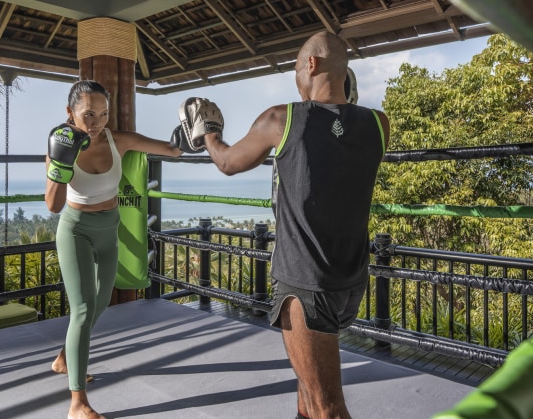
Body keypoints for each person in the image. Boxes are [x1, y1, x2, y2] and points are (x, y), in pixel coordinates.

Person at [196, 31, 390, 419]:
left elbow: (228, 162)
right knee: (307, 397)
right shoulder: (379, 124)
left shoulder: (280, 119)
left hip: (304, 285)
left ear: (311, 65)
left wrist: (209, 134)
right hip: (351, 280)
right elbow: (338, 135)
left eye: (297, 72)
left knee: (326, 408)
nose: (297, 83)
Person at [45, 80, 183, 419]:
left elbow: (173, 150)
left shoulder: (116, 139)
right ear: (70, 113)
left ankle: (64, 358)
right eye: (88, 115)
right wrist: (61, 165)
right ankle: (78, 403)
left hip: (110, 227)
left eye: (102, 114)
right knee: (81, 309)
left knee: (102, 301)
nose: (95, 123)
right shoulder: (60, 144)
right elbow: (53, 205)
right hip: (75, 229)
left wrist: (191, 132)